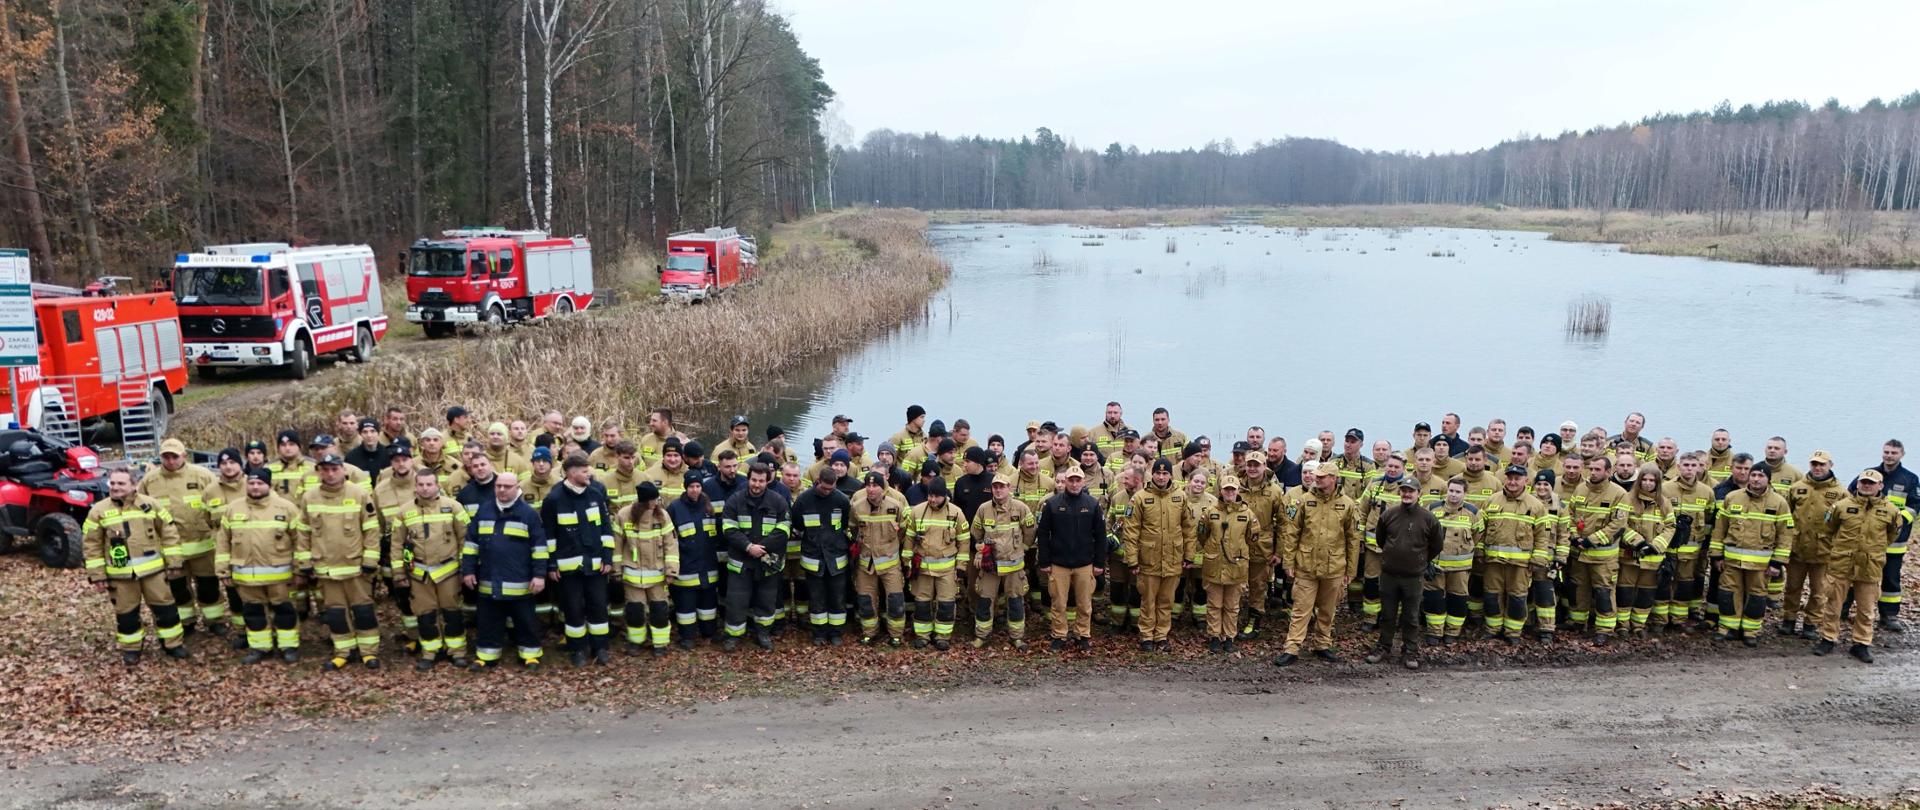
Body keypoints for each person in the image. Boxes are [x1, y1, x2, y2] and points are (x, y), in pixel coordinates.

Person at [84, 469, 186, 664]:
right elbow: (91, 545)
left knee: (166, 609)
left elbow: (169, 531)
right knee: (126, 614)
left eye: (121, 483)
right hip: (120, 576)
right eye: (112, 483)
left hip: (153, 572)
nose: (115, 487)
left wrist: (174, 561)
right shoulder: (98, 511)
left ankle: (173, 644)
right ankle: (131, 649)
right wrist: (97, 576)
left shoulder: (150, 504)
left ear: (133, 485)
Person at [297, 453, 382, 670]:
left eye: (334, 469)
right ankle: (344, 651)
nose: (330, 473)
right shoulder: (309, 497)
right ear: (319, 471)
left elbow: (371, 530)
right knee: (335, 613)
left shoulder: (359, 494)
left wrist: (370, 560)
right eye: (325, 469)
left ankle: (368, 652)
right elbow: (304, 532)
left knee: (363, 611)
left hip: (356, 568)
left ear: (343, 470)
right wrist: (305, 562)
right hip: (326, 568)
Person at [1815, 469, 1908, 663]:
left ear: (1880, 486)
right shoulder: (1840, 506)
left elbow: (1892, 535)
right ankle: (1828, 639)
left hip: (1870, 566)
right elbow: (1828, 530)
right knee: (1833, 604)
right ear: (1857, 484)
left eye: (1871, 483)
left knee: (1866, 609)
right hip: (1841, 563)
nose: (1866, 485)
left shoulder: (1891, 511)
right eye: (1863, 482)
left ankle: (1861, 643)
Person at [1273, 464, 1362, 667]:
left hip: (1334, 566)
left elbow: (1353, 539)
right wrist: (1289, 561)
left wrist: (1351, 570)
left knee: (1327, 609)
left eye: (1323, 477)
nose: (1317, 479)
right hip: (1306, 565)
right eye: (1317, 476)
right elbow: (1292, 532)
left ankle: (1322, 644)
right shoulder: (1305, 501)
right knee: (1301, 609)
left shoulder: (1347, 504)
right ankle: (1292, 648)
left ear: (1334, 479)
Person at [462, 472, 549, 671]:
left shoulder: (528, 514)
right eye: (498, 485)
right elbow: (471, 545)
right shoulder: (484, 511)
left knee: (525, 621)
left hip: (521, 582)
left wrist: (539, 575)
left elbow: (540, 548)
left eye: (507, 486)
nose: (501, 489)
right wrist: (468, 571)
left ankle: (530, 655)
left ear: (517, 488)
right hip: (489, 579)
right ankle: (486, 656)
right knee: (487, 621)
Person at [216, 468, 302, 664]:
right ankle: (259, 647)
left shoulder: (286, 508)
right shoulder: (233, 509)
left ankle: (288, 646)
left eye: (260, 483)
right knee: (253, 612)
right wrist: (222, 570)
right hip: (245, 576)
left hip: (281, 576)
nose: (255, 487)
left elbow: (300, 541)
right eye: (252, 483)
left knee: (285, 611)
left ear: (269, 485)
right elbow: (223, 541)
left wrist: (300, 568)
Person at [139, 439, 224, 637]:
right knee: (178, 589)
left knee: (208, 587)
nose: (170, 461)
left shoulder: (203, 476)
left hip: (202, 546)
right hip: (170, 549)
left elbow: (217, 505)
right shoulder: (149, 481)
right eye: (165, 457)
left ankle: (214, 621)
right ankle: (186, 622)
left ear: (184, 456)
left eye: (174, 456)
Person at [1709, 463, 1794, 647]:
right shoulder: (1732, 498)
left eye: (1760, 476)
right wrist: (1716, 556)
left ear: (1768, 479)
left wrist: (1777, 563)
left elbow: (1785, 535)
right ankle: (1728, 628)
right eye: (1753, 474)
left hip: (1761, 565)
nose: (1756, 479)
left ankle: (1750, 631)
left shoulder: (1779, 502)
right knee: (1729, 594)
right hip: (1731, 561)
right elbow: (1719, 529)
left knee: (1756, 597)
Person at [395, 467, 471, 669]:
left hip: (449, 571)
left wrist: (466, 568)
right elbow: (397, 545)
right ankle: (431, 652)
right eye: (421, 484)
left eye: (429, 484)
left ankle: (457, 652)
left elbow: (466, 539)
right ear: (415, 485)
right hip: (419, 573)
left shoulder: (454, 507)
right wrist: (399, 573)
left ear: (437, 485)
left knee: (452, 613)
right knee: (425, 615)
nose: (425, 488)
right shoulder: (404, 512)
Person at [544, 453, 616, 664]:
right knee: (573, 609)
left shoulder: (596, 495)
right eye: (585, 471)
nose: (589, 474)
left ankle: (600, 647)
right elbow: (549, 536)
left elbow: (605, 529)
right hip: (568, 569)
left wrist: (607, 557)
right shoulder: (554, 499)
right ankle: (577, 650)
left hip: (595, 566)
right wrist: (551, 563)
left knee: (599, 606)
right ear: (571, 472)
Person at [1122, 459, 1196, 652]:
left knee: (1166, 601)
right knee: (1148, 600)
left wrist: (1189, 555)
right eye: (1158, 473)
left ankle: (1162, 636)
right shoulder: (1139, 498)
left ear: (1171, 475)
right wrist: (1132, 560)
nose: (1161, 477)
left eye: (1165, 474)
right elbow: (1131, 532)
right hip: (1148, 560)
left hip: (1172, 559)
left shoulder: (1180, 497)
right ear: (1151, 474)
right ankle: (1147, 635)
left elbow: (1189, 528)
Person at [1369, 477, 1441, 668]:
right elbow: (1380, 540)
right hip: (1389, 575)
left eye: (1411, 491)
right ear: (1400, 492)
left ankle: (1410, 652)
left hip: (1413, 577)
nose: (1407, 494)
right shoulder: (1389, 515)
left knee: (1411, 617)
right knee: (1387, 614)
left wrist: (1420, 561)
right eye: (1404, 490)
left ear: (1419, 493)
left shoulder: (1429, 519)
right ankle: (1383, 647)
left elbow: (1436, 545)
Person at [1036, 465, 1106, 651]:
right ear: (1065, 481)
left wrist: (1099, 563)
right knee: (1059, 603)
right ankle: (1059, 635)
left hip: (1085, 563)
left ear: (1083, 482)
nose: (1074, 484)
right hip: (1059, 564)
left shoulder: (1092, 504)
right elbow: (1043, 534)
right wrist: (1044, 561)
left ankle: (1082, 634)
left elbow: (1100, 535)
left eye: (1078, 480)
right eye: (1071, 480)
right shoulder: (1052, 504)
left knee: (1084, 603)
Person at [721, 463, 790, 651]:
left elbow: (784, 530)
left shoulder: (778, 501)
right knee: (736, 602)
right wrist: (748, 547)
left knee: (766, 602)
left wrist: (762, 548)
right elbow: (728, 528)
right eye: (753, 480)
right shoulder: (735, 500)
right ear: (748, 479)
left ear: (767, 481)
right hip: (741, 562)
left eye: (761, 481)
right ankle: (733, 636)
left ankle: (763, 633)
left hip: (767, 563)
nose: (757, 484)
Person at [1482, 464, 1550, 643]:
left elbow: (1542, 535)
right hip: (1493, 561)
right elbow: (1481, 530)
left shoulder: (1536, 505)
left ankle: (1513, 633)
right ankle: (1493, 629)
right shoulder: (1492, 501)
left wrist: (1538, 559)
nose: (1512, 482)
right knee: (1492, 596)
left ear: (1526, 481)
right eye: (1510, 478)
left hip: (1520, 565)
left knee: (1517, 598)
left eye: (1517, 478)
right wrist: (1479, 554)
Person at [1783, 450, 1846, 638]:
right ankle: (1788, 619)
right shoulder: (1796, 488)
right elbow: (1787, 516)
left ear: (1830, 466)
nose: (1817, 468)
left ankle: (1811, 623)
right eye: (1814, 464)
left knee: (1819, 591)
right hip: (1798, 548)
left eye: (1822, 464)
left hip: (1824, 551)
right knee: (1793, 587)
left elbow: (1844, 524)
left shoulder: (1841, 493)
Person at [1854, 439, 1915, 633]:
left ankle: (1889, 615)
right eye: (1887, 452)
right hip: (1865, 540)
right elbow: (1850, 495)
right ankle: (1844, 609)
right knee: (1853, 573)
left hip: (1894, 541)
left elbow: (1915, 507)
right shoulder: (1869, 474)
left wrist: (1895, 521)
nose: (1889, 456)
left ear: (1901, 455)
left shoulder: (1909, 479)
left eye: (1894, 453)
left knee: (1890, 578)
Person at [970, 472, 1036, 649]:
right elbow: (976, 533)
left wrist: (1024, 548)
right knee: (985, 601)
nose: (998, 490)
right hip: (990, 566)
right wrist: (980, 549)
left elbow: (1030, 532)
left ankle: (1017, 637)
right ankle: (981, 636)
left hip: (1014, 566)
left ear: (1009, 488)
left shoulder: (1020, 508)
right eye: (995, 487)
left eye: (1002, 486)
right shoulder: (983, 509)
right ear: (992, 489)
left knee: (1015, 601)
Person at [1570, 455, 1629, 643]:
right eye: (1591, 469)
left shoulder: (1619, 494)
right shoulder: (1580, 489)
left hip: (1603, 557)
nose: (1593, 473)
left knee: (1604, 592)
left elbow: (1618, 524)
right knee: (1580, 589)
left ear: (1608, 471)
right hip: (1579, 553)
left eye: (1598, 469)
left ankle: (1604, 629)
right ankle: (1579, 623)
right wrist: (1574, 536)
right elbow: (1570, 514)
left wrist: (1592, 540)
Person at [792, 470, 854, 646]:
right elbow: (797, 524)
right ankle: (818, 633)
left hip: (836, 558)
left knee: (837, 598)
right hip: (813, 558)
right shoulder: (803, 500)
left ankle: (836, 633)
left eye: (831, 488)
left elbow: (846, 524)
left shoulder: (841, 500)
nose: (828, 492)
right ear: (817, 482)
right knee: (817, 598)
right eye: (825, 488)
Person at [614, 481, 676, 657]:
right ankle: (636, 642)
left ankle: (660, 644)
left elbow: (671, 545)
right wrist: (616, 570)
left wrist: (671, 570)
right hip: (632, 577)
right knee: (635, 612)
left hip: (657, 575)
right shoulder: (624, 515)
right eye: (653, 500)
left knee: (659, 611)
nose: (656, 503)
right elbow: (617, 545)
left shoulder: (662, 516)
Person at [906, 477, 968, 650]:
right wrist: (907, 564)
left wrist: (961, 568)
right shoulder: (917, 511)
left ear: (945, 496)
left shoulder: (956, 513)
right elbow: (909, 539)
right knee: (922, 603)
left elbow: (964, 542)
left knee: (946, 603)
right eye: (930, 495)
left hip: (947, 569)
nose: (933, 500)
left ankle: (942, 636)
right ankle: (923, 636)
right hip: (923, 569)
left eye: (937, 496)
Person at [1198, 476, 1257, 653]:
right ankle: (1215, 636)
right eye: (1226, 489)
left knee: (1232, 605)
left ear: (1238, 491)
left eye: (1233, 489)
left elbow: (1252, 538)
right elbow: (1202, 535)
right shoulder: (1210, 512)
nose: (1229, 493)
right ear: (1221, 491)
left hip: (1236, 566)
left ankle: (1229, 636)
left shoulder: (1247, 514)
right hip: (1214, 564)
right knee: (1214, 604)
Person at [1617, 464, 1674, 639]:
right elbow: (1621, 524)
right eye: (1645, 479)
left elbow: (1670, 527)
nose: (1648, 483)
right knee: (1625, 592)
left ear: (1657, 483)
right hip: (1629, 556)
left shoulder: (1664, 503)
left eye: (1652, 480)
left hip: (1652, 558)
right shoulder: (1626, 499)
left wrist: (1655, 545)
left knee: (1645, 593)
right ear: (1639, 480)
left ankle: (1639, 625)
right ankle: (1622, 626)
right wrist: (1638, 542)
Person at [1662, 452, 1717, 631]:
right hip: (1667, 548)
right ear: (1678, 467)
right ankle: (1660, 620)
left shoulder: (1707, 492)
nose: (1689, 469)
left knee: (1684, 583)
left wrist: (1704, 547)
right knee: (1664, 582)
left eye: (1693, 466)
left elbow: (1709, 521)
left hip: (1691, 550)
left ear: (1700, 468)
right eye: (1686, 465)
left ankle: (1678, 619)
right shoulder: (1665, 489)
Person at [668, 470, 721, 647]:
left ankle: (708, 633)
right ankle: (687, 637)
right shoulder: (675, 508)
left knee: (708, 606)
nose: (695, 490)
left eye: (698, 486)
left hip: (708, 567)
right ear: (685, 487)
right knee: (685, 608)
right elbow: (669, 538)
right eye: (691, 486)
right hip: (686, 568)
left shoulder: (708, 506)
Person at [1424, 478, 1479, 644]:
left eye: (1458, 492)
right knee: (1433, 599)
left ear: (1465, 493)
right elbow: (1424, 535)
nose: (1453, 495)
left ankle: (1452, 633)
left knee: (1458, 600)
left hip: (1460, 569)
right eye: (1451, 491)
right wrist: (1426, 561)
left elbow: (1478, 535)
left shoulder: (1474, 513)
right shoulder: (1432, 509)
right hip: (1435, 566)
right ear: (1446, 491)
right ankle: (1434, 633)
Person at [1236, 452, 1283, 641]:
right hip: (1236, 542)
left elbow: (1283, 523)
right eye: (1249, 465)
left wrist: (1279, 551)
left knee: (1258, 585)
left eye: (1257, 465)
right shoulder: (1235, 487)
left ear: (1265, 466)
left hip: (1262, 545)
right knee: (1235, 583)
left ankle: (1254, 622)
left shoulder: (1275, 491)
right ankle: (1232, 618)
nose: (1252, 469)